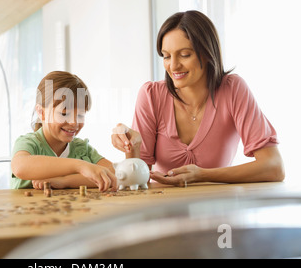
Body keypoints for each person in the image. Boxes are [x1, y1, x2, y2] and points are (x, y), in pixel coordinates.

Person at [111, 10, 284, 187]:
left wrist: (201, 175)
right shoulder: (151, 95)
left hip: (218, 209)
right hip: (163, 209)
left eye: (185, 55)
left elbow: (274, 167)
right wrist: (133, 146)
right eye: (167, 56)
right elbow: (140, 181)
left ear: (208, 54)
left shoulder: (233, 90)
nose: (173, 66)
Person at [11, 71, 117, 192]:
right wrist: (80, 166)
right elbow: (20, 167)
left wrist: (65, 181)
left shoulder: (82, 148)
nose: (74, 123)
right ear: (42, 113)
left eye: (80, 115)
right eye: (64, 113)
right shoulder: (29, 143)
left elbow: (114, 173)